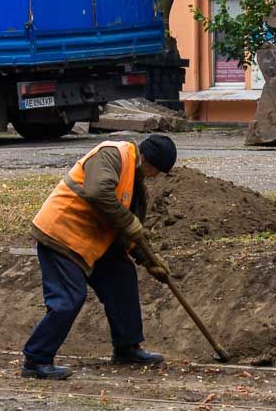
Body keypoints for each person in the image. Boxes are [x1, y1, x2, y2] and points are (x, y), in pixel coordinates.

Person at [21, 133, 178, 380]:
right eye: (157, 171)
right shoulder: (113, 154)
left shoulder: (134, 182)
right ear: (149, 163)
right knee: (69, 298)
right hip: (61, 233)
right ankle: (36, 359)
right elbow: (97, 192)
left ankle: (127, 347)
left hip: (90, 240)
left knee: (121, 277)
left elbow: (125, 232)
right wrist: (129, 222)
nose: (155, 177)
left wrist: (150, 262)